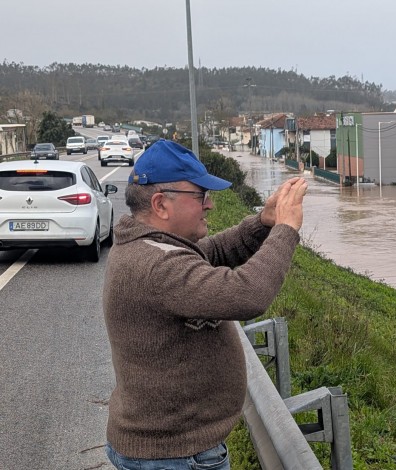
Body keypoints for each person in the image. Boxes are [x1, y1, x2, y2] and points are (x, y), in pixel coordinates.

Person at [102, 139, 307, 469]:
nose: (209, 205)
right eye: (201, 196)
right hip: (174, 457)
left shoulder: (149, 247)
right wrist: (286, 228)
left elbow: (213, 253)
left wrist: (263, 222)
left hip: (171, 450)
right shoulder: (155, 265)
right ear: (161, 204)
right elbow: (248, 294)